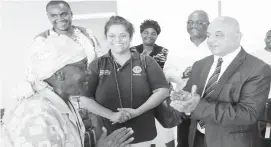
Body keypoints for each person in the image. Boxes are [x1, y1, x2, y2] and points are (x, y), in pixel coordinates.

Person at [171, 16, 271, 147]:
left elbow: (248, 114)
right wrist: (183, 101)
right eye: (209, 35)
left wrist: (197, 105)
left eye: (218, 35)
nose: (211, 41)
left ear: (237, 36)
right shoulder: (200, 65)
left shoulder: (258, 69)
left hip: (231, 142)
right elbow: (190, 98)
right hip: (196, 139)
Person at [2, 51, 134, 147]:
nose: (88, 72)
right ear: (59, 74)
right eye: (82, 67)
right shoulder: (36, 113)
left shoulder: (64, 102)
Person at [79, 16, 169, 147]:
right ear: (106, 37)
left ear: (130, 37)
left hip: (142, 136)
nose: (117, 40)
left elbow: (163, 91)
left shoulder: (147, 62)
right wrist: (112, 115)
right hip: (109, 139)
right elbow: (85, 98)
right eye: (112, 36)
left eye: (123, 36)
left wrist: (137, 111)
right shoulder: (97, 65)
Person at [163, 10, 211, 147]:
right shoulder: (177, 48)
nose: (193, 25)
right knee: (184, 142)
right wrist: (182, 75)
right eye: (190, 22)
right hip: (184, 108)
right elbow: (166, 72)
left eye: (199, 22)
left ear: (209, 25)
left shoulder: (215, 46)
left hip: (210, 106)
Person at [131, 19, 173, 147]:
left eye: (153, 33)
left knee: (165, 129)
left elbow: (168, 72)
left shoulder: (163, 52)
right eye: (146, 32)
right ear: (141, 33)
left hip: (160, 95)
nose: (149, 35)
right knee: (147, 130)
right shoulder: (132, 51)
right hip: (139, 96)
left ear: (157, 35)